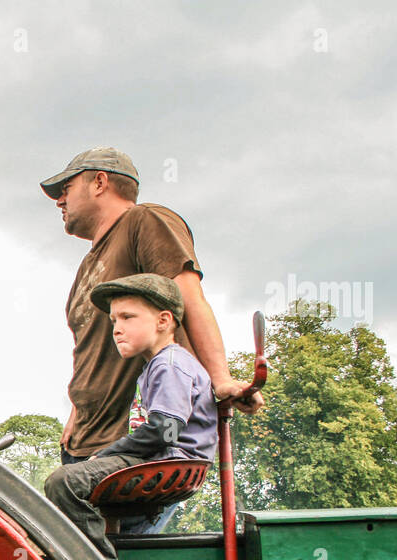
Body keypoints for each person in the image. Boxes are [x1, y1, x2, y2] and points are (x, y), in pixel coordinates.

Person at [39, 146, 264, 532]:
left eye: (66, 186)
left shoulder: (145, 221)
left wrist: (221, 378)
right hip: (86, 442)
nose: (59, 199)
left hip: (134, 444)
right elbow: (89, 349)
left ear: (99, 182)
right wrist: (76, 414)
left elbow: (189, 298)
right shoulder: (88, 266)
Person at [43, 274, 216, 560]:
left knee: (65, 481)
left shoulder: (170, 364)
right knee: (75, 486)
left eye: (127, 317)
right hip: (160, 458)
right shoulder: (153, 367)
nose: (117, 329)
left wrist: (108, 453)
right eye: (113, 321)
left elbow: (167, 429)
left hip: (168, 461)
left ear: (163, 321)